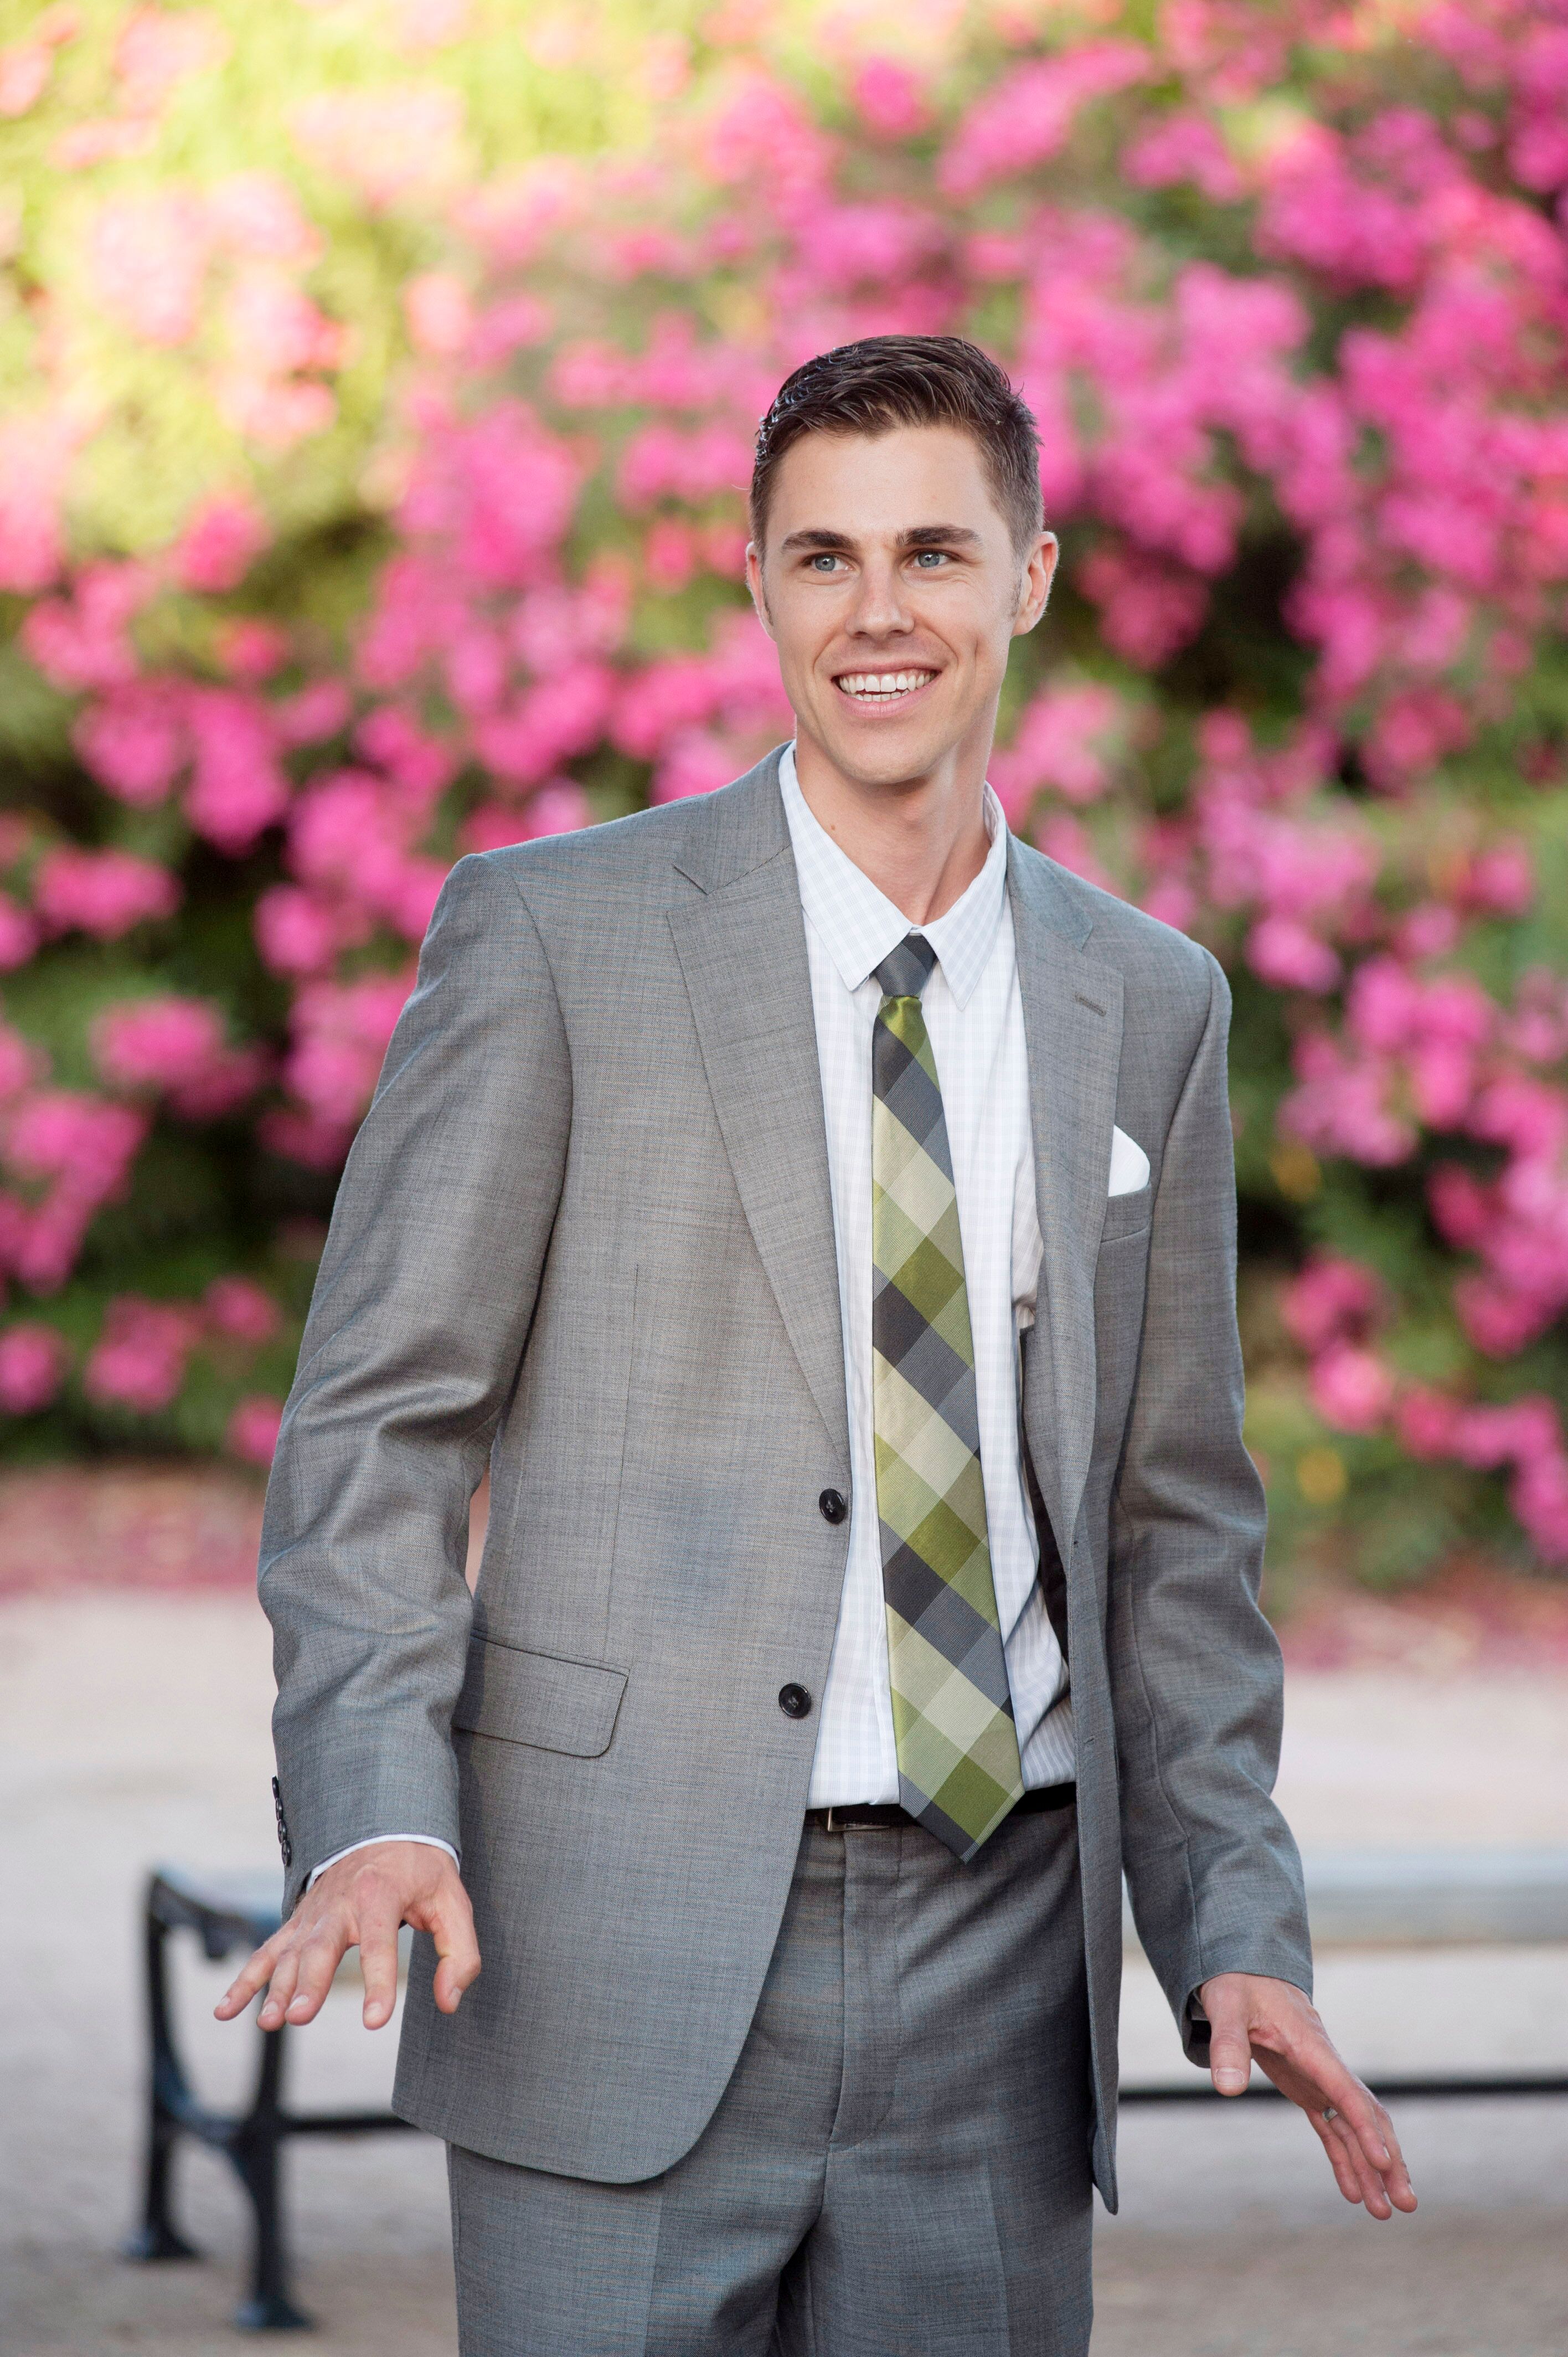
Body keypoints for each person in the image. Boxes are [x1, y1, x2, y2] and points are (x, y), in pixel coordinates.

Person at [219, 334, 1415, 2354]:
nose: (881, 614)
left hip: (1002, 1968)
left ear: (1031, 577)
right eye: (823, 559)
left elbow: (1173, 1526)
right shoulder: (551, 939)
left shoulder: (1153, 1000)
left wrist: (1233, 1921)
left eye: (937, 553)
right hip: (607, 1939)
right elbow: (378, 1430)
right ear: (759, 585)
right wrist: (375, 1802)